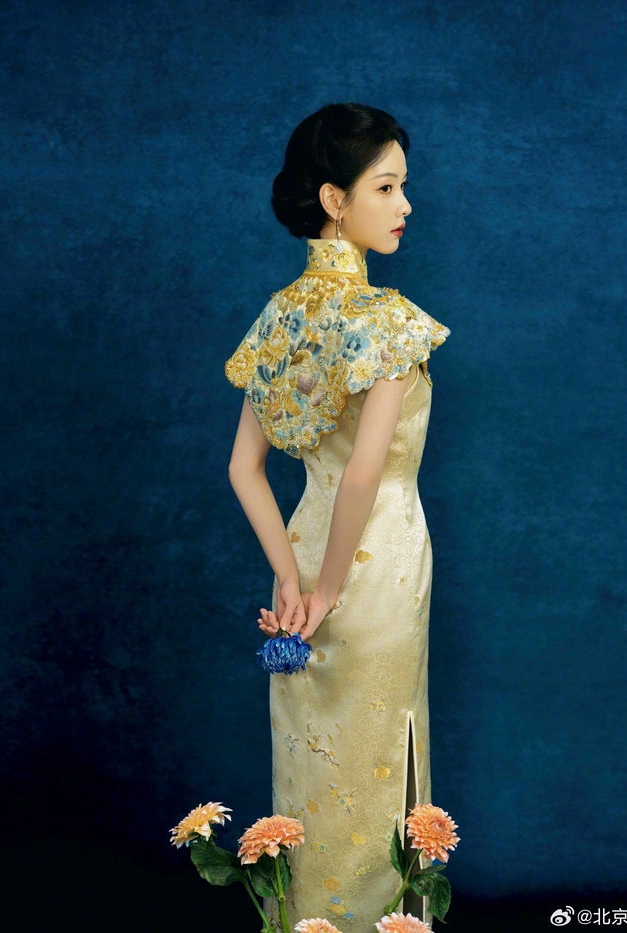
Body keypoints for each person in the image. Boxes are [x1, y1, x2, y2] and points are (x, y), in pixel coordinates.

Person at [225, 102, 450, 931]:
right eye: (385, 187)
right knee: (380, 746)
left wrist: (292, 580)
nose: (405, 205)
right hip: (378, 558)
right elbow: (364, 475)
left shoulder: (280, 318)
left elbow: (243, 469)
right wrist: (327, 591)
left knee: (313, 754)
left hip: (304, 546)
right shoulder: (387, 321)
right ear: (333, 198)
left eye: (402, 186)